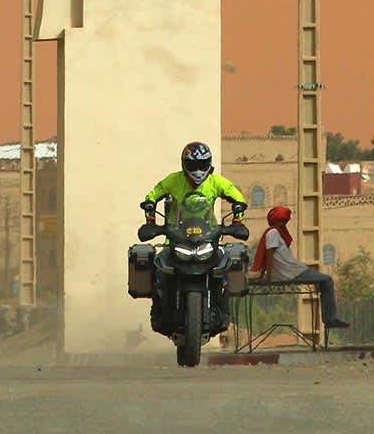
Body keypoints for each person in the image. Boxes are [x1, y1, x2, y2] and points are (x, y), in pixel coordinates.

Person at [139, 142, 249, 331]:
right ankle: (157, 311)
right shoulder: (174, 180)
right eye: (193, 165)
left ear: (209, 164)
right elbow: (152, 196)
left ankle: (223, 312)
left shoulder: (216, 182)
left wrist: (237, 222)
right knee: (159, 269)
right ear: (184, 164)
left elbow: (238, 198)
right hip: (175, 239)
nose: (197, 171)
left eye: (202, 165)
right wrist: (151, 221)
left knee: (226, 267)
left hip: (208, 238)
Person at [251, 206, 349, 329]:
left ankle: (330, 318)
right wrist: (267, 277)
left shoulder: (275, 233)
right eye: (281, 221)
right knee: (327, 280)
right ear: (275, 220)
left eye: (285, 221)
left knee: (324, 282)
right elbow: (268, 255)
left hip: (295, 269)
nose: (284, 224)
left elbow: (267, 256)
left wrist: (263, 275)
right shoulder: (273, 233)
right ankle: (330, 319)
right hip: (293, 272)